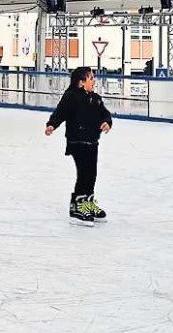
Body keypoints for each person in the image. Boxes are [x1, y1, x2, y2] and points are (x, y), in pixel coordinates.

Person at [45, 67, 113, 226]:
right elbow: (60, 113)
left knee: (92, 174)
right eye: (91, 78)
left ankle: (87, 203)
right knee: (84, 174)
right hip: (77, 141)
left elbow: (105, 114)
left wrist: (106, 122)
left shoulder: (96, 98)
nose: (94, 81)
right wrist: (52, 125)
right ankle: (77, 209)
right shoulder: (71, 97)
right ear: (81, 82)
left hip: (92, 142)